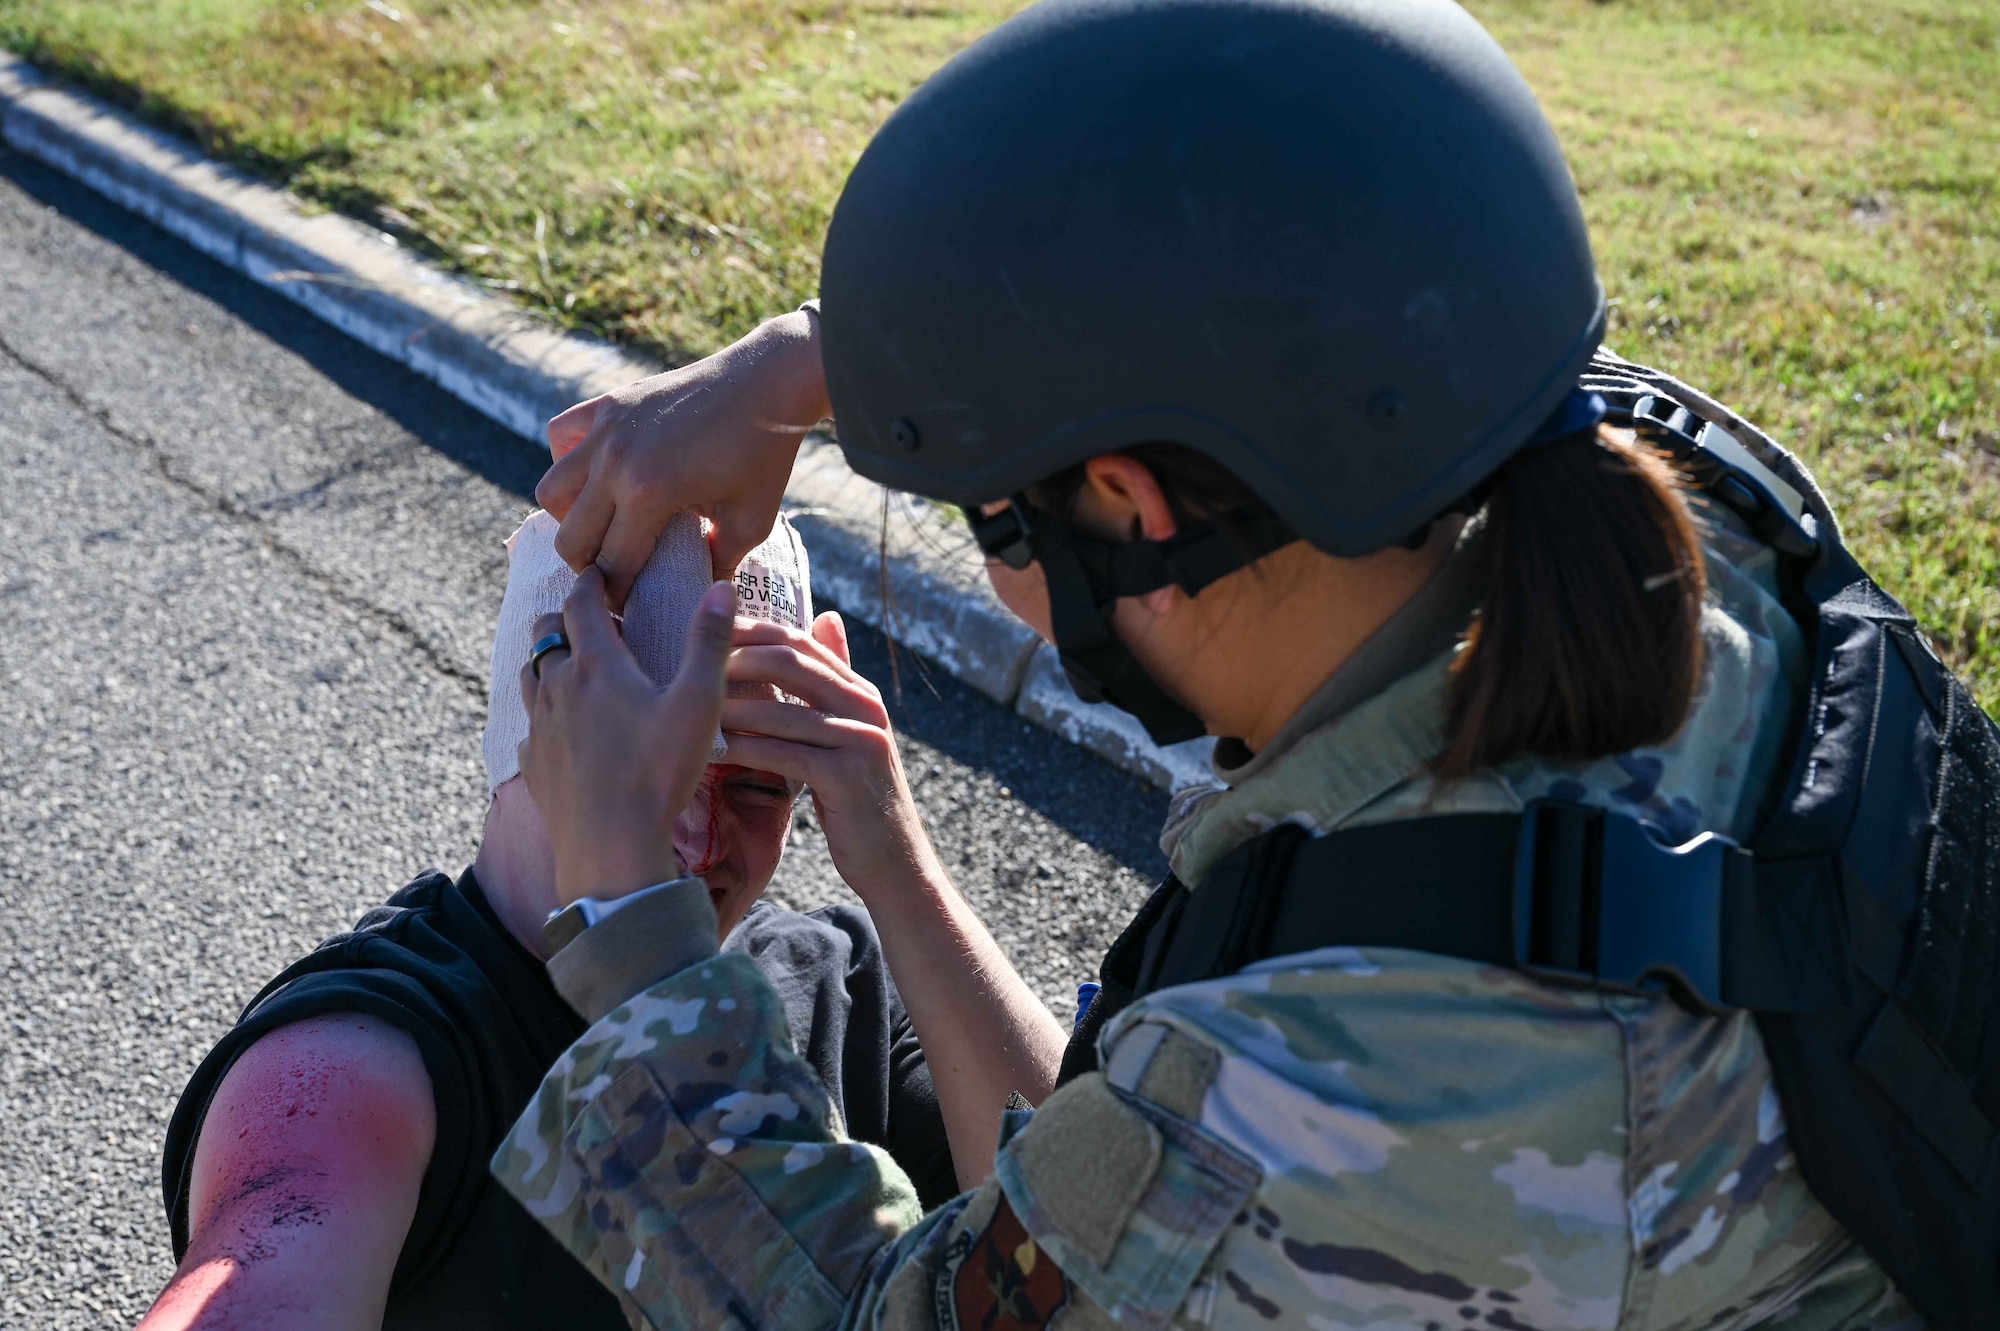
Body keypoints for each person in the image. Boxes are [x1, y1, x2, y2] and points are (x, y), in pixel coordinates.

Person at [484, 0, 1999, 1327]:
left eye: (985, 503)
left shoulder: (1336, 1078)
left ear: (1126, 512)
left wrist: (627, 909)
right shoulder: (1679, 492)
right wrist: (789, 369)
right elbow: (1273, 249)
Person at [138, 512, 959, 1331]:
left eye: (760, 786)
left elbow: (1073, 1236)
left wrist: (902, 869)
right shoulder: (358, 1062)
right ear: (528, 737)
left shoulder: (843, 986)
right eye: (642, 767)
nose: (701, 841)